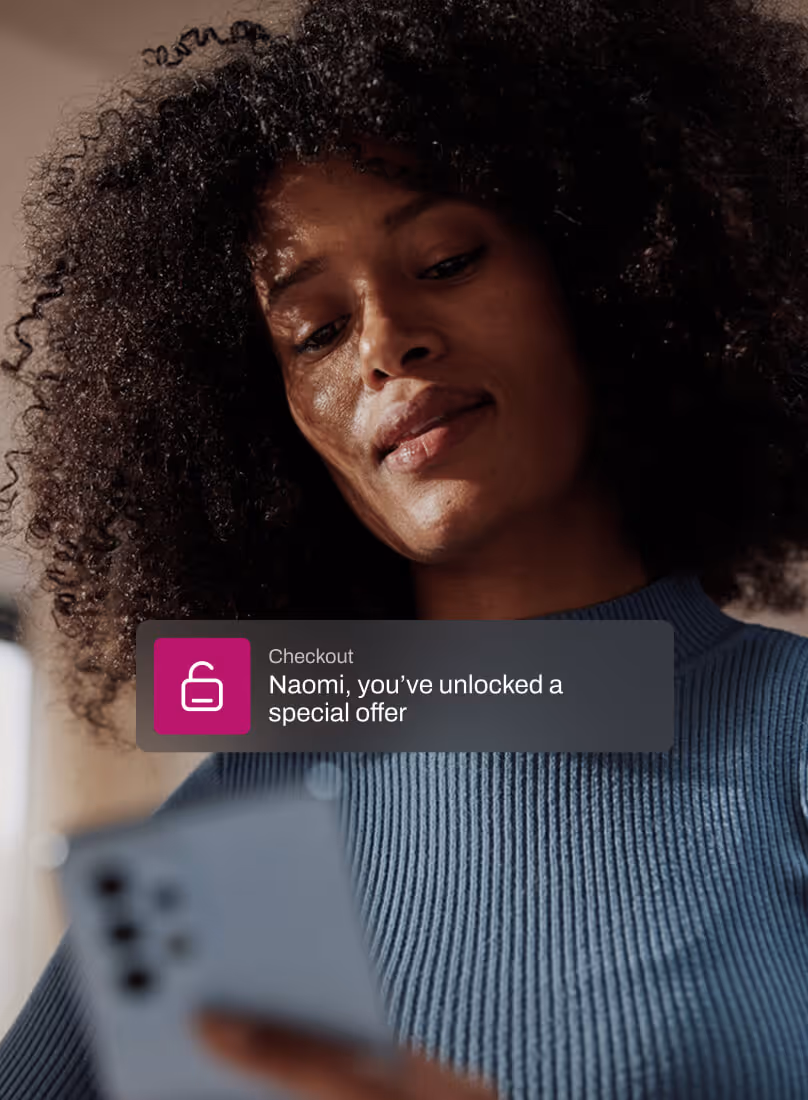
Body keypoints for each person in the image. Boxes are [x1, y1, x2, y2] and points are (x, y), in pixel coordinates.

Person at [1, 0, 808, 1096]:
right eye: (316, 331)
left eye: (447, 258)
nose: (384, 343)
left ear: (605, 276)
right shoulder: (244, 791)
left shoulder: (786, 727)